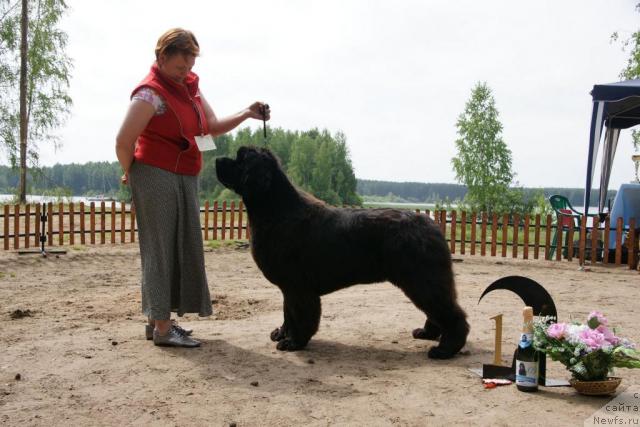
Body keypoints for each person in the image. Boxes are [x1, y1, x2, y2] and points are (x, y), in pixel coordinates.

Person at [115, 28, 270, 347]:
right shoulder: (150, 93)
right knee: (160, 251)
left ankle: (158, 321)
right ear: (161, 57)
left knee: (180, 248)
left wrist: (247, 113)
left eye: (190, 66)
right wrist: (130, 172)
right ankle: (161, 329)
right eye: (179, 67)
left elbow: (210, 128)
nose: (186, 72)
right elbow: (123, 141)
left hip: (184, 174)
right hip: (154, 174)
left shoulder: (190, 89)